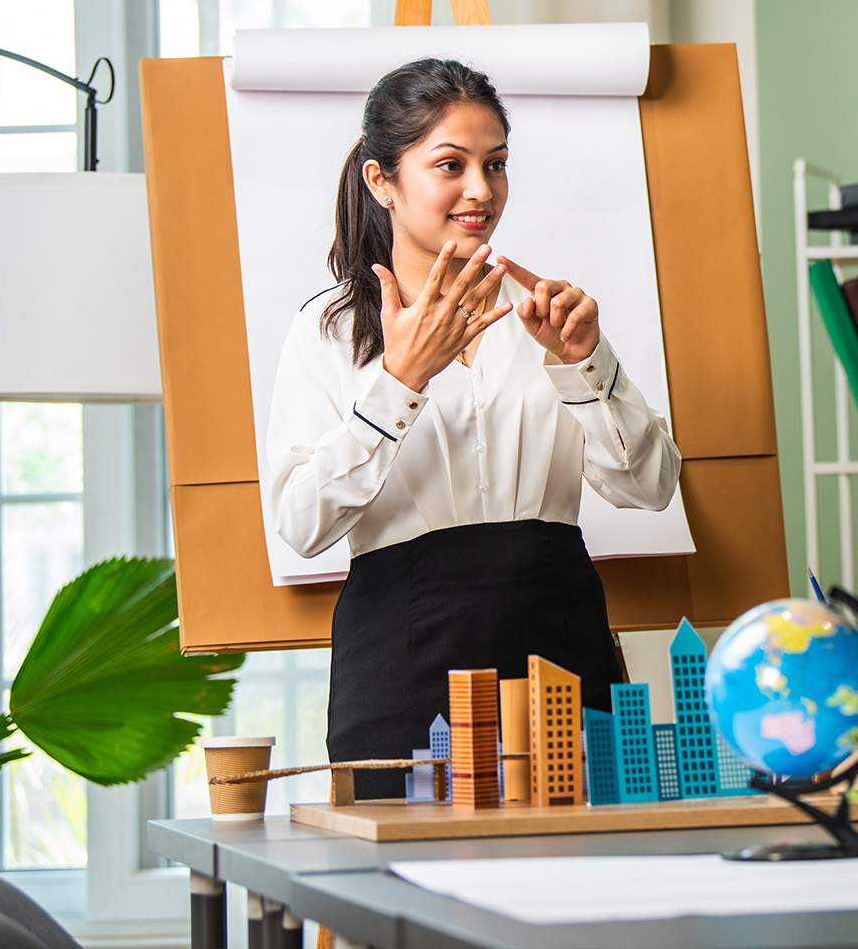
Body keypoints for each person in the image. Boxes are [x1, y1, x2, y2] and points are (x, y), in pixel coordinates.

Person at [266, 58, 681, 796]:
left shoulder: (547, 314)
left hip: (558, 647)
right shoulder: (326, 331)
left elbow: (650, 489)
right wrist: (399, 382)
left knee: (576, 889)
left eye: (496, 165)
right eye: (450, 165)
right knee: (409, 901)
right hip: (398, 660)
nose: (481, 191)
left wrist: (586, 366)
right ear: (381, 181)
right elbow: (301, 524)